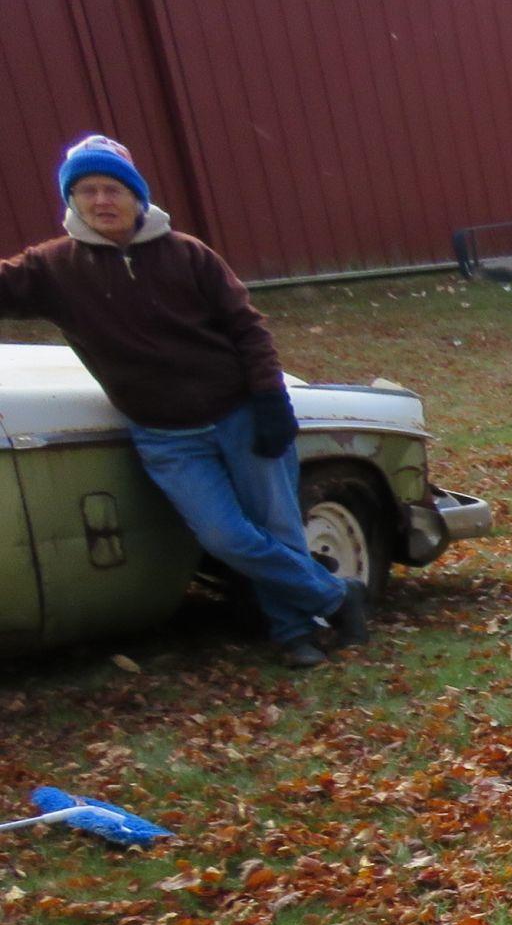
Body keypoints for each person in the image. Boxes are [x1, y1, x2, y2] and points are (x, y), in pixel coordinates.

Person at [0, 134, 367, 668]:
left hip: (240, 412)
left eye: (112, 188)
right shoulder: (53, 267)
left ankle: (293, 636)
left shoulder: (187, 254)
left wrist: (269, 398)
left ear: (136, 195)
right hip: (165, 435)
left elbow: (248, 328)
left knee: (279, 527)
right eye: (86, 191)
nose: (101, 201)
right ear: (71, 201)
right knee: (225, 537)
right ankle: (336, 597)